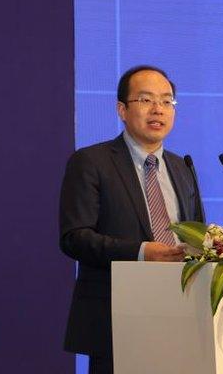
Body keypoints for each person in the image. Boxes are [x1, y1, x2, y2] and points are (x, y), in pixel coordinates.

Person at [59, 65, 205, 374]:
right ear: (122, 110)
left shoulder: (182, 167)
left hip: (180, 314)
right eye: (146, 99)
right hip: (117, 318)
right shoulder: (91, 162)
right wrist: (141, 252)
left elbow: (197, 234)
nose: (158, 109)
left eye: (166, 101)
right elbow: (75, 237)